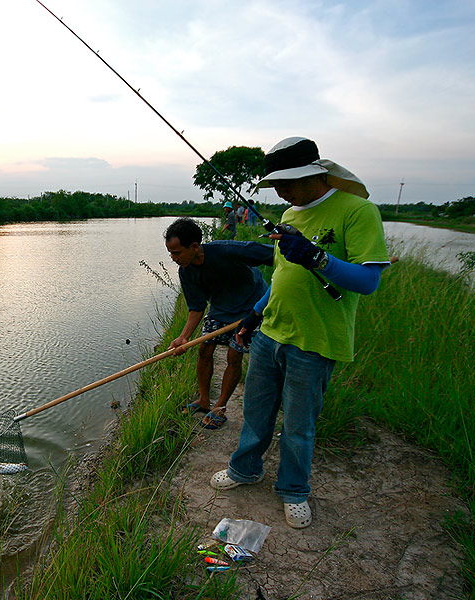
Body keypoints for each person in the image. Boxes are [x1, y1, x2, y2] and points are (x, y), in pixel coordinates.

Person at [210, 137, 390, 529]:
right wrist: (253, 315)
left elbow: (368, 280)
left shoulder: (358, 211)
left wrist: (317, 256)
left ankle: (293, 490)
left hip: (316, 341)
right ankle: (244, 470)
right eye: (276, 183)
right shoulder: (289, 216)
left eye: (288, 181)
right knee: (255, 413)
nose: (281, 190)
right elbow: (283, 277)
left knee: (298, 424)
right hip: (271, 334)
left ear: (316, 173)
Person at [164, 217, 273, 429]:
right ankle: (204, 401)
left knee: (234, 353)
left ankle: (220, 407)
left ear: (195, 246)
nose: (173, 258)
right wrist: (184, 337)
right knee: (204, 349)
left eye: (177, 253)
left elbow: (277, 256)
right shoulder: (186, 271)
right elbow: (196, 307)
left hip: (251, 308)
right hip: (220, 308)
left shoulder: (227, 250)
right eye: (170, 253)